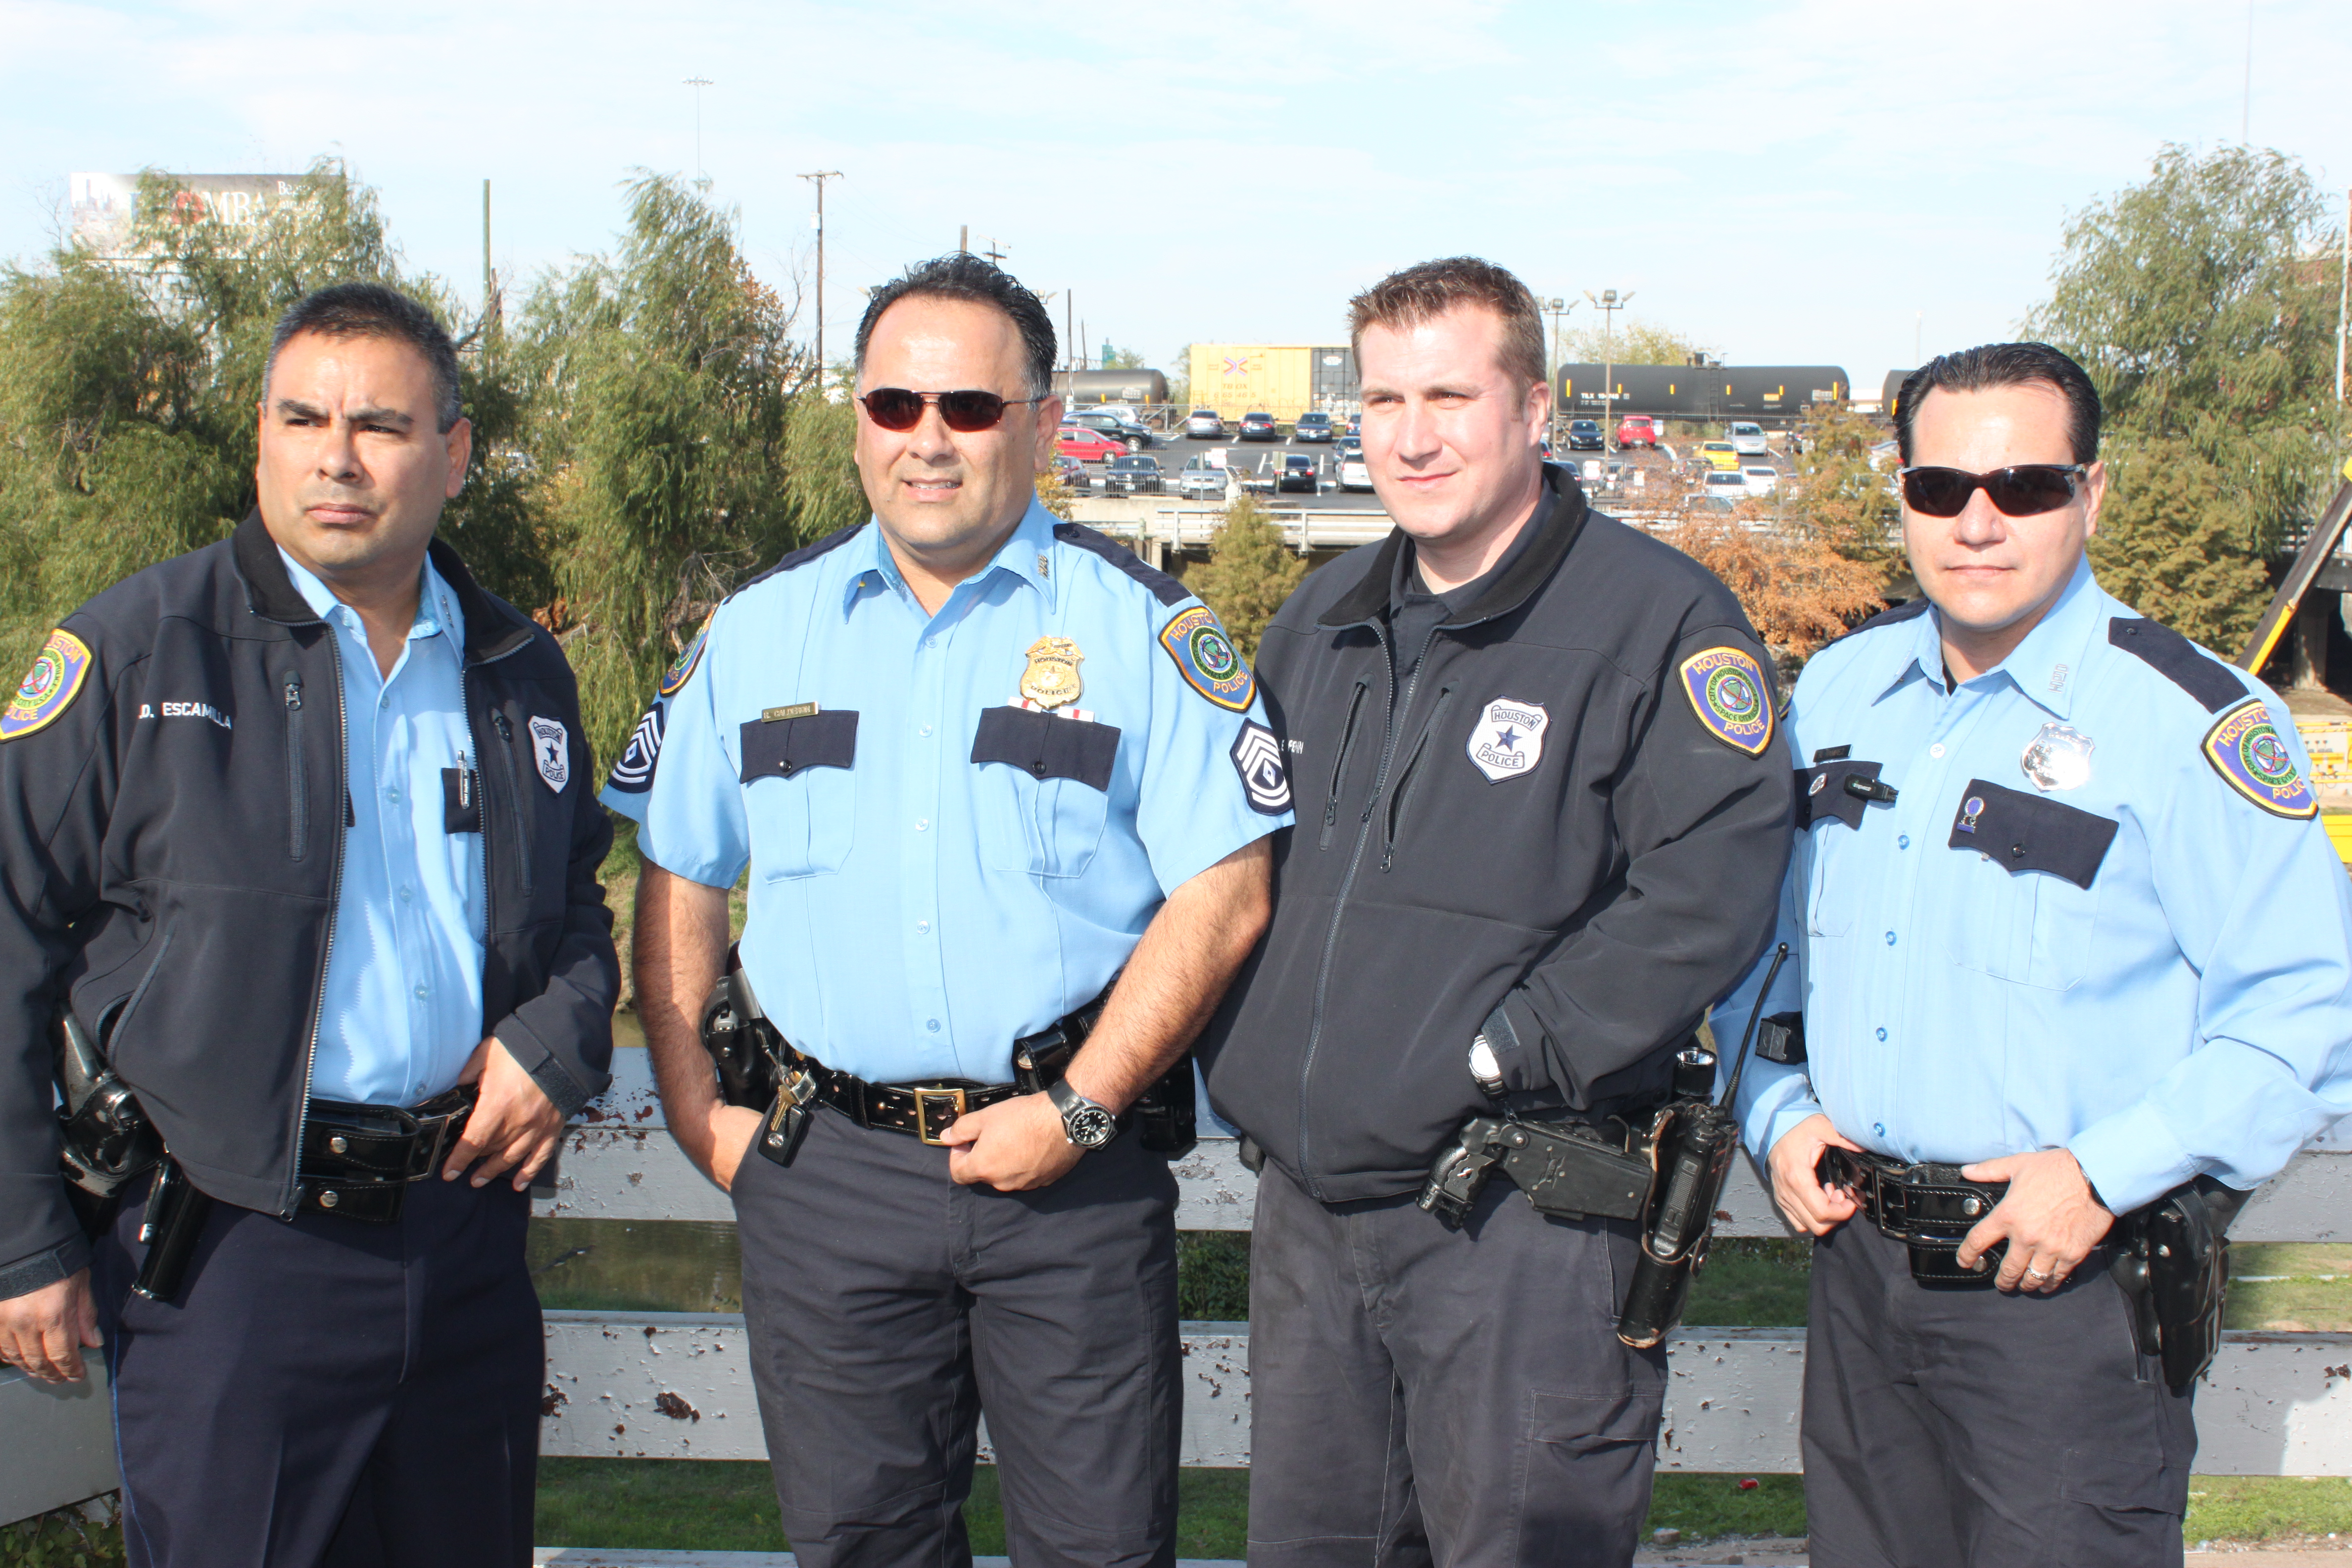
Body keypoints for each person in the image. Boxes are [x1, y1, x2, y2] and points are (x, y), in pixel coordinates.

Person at [612, 253, 1285, 1568]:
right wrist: (702, 1113)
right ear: (858, 418)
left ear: (1038, 423)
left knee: (1098, 1548)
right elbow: (682, 870)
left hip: (1070, 1180)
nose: (928, 440)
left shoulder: (1145, 634)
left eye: (969, 409)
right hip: (828, 1183)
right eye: (894, 406)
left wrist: (1085, 1105)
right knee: (861, 1547)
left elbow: (1229, 888)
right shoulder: (758, 633)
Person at [0, 282, 619, 1566]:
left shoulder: (517, 671)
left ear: (452, 452)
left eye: (381, 425)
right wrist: (20, 1245)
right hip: (235, 1260)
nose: (337, 456)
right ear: (262, 439)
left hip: (464, 1248)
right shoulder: (137, 656)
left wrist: (554, 1046)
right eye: (304, 418)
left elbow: (575, 914)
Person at [1198, 256, 1794, 1567]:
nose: (1412, 436)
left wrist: (1511, 1046)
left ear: (1535, 408)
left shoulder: (1655, 620)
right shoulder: (1323, 618)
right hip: (1316, 1216)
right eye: (1383, 399)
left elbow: (1715, 876)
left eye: (1452, 396)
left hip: (1513, 1218)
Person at [1718, 341, 2352, 1567]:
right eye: (1941, 488)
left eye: (2026, 487)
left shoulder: (2193, 723)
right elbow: (1762, 947)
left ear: (2092, 494)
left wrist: (2107, 1173)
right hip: (1857, 1270)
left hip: (2063, 1295)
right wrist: (1773, 1104)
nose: (1979, 522)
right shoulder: (1838, 694)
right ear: (1901, 494)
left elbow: (2305, 1010)